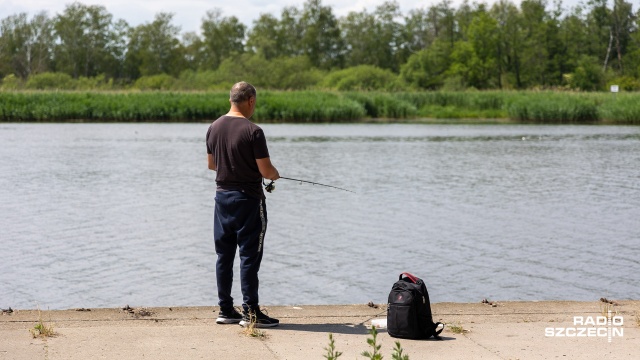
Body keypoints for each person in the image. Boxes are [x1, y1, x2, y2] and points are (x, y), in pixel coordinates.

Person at [206, 81, 280, 328]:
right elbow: (266, 170)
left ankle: (226, 310)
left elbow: (212, 165)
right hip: (248, 201)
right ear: (250, 101)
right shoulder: (254, 131)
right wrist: (274, 175)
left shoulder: (213, 127)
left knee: (224, 255)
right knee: (249, 256)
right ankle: (251, 313)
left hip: (222, 199)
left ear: (230, 100)